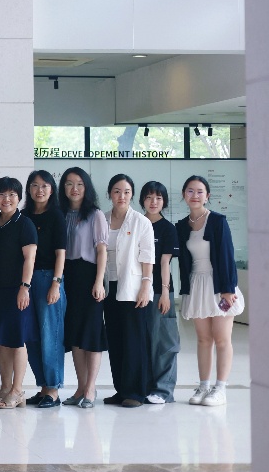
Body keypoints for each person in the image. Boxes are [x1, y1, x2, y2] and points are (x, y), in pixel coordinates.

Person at [177, 175, 244, 407]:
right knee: (203, 339)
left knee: (222, 339)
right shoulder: (181, 226)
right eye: (190, 191)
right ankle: (204, 386)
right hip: (197, 285)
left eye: (200, 191)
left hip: (219, 285)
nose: (195, 195)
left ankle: (220, 388)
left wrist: (228, 289)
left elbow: (227, 255)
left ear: (207, 196)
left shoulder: (217, 221)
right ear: (184, 195)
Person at [0, 177, 38, 409]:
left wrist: (25, 287)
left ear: (19, 198)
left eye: (12, 195)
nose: (7, 199)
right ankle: (5, 388)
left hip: (17, 290)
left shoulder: (24, 224)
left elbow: (29, 258)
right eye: (2, 195)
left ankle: (18, 390)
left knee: (17, 340)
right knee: (2, 341)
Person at [102, 174, 156, 408]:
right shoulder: (102, 219)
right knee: (115, 339)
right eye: (117, 191)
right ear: (110, 194)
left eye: (126, 192)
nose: (121, 196)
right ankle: (121, 389)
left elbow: (148, 257)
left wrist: (145, 286)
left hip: (132, 287)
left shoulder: (140, 222)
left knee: (134, 340)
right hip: (109, 286)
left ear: (132, 194)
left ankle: (136, 392)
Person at [58, 167, 107, 409]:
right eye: (69, 184)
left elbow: (102, 251)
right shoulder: (60, 213)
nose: (74, 188)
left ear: (86, 187)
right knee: (75, 335)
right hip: (67, 276)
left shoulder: (95, 215)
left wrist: (99, 282)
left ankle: (90, 388)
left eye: (79, 184)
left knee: (92, 333)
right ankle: (80, 387)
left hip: (89, 276)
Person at [21, 170, 67, 408]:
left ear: (52, 189)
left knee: (51, 335)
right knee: (32, 336)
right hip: (26, 281)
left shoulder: (56, 215)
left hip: (49, 278)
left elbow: (61, 253)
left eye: (45, 186)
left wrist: (56, 284)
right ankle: (43, 387)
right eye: (35, 185)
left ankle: (53, 389)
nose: (40, 190)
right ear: (29, 189)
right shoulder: (24, 216)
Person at [140, 180, 180, 404]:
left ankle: (163, 391)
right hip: (136, 292)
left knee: (163, 343)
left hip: (158, 292)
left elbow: (165, 263)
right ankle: (145, 387)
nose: (153, 202)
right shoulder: (136, 223)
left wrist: (165, 293)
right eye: (149, 197)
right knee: (142, 341)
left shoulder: (167, 228)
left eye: (158, 198)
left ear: (164, 201)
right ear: (142, 200)